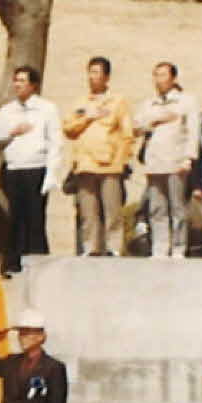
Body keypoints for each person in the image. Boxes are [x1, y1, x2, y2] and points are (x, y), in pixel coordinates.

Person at [0, 65, 65, 275]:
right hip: (14, 169)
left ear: (33, 85)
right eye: (15, 80)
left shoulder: (47, 108)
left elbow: (55, 141)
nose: (17, 84)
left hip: (36, 168)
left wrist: (52, 173)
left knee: (35, 217)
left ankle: (38, 263)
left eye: (22, 80)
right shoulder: (8, 110)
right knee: (15, 217)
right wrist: (11, 132)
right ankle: (14, 263)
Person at [60, 55, 134, 257]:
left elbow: (127, 133)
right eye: (90, 72)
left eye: (96, 73)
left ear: (106, 77)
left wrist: (122, 160)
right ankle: (90, 246)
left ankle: (114, 247)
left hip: (110, 163)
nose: (92, 77)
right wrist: (87, 117)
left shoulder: (118, 101)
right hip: (85, 163)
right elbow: (68, 129)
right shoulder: (80, 102)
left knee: (112, 210)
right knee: (88, 211)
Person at [134, 62, 199, 260]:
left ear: (173, 78)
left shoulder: (186, 101)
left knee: (177, 207)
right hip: (154, 163)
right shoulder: (149, 104)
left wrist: (189, 158)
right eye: (156, 75)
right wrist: (154, 120)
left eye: (162, 75)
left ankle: (179, 247)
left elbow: (193, 131)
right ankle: (160, 247)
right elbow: (136, 127)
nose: (158, 80)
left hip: (176, 161)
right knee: (156, 208)